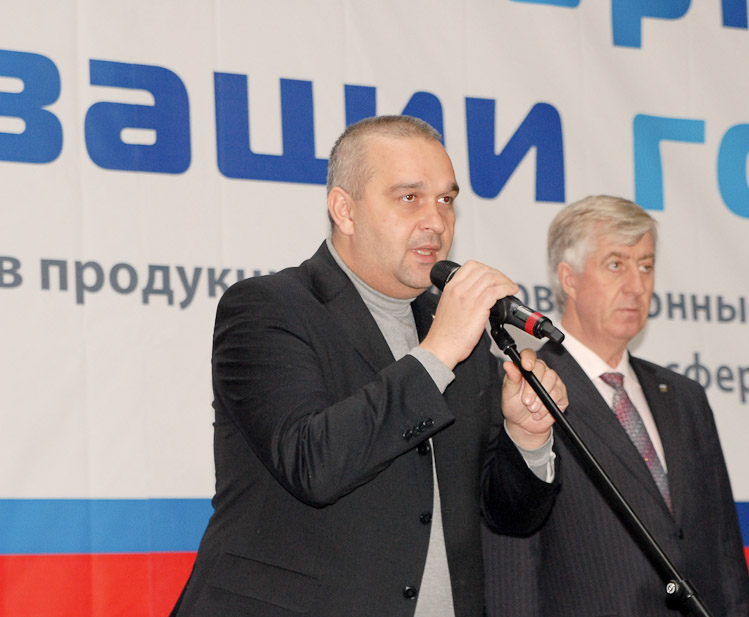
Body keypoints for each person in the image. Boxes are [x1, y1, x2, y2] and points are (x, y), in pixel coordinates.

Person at [171, 115, 567, 617]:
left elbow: (508, 516)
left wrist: (527, 438)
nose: (436, 221)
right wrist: (438, 352)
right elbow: (312, 464)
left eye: (446, 199)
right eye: (410, 197)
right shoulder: (267, 308)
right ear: (345, 209)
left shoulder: (454, 331)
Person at [483, 195, 749, 617]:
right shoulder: (526, 389)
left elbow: (724, 552)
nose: (636, 286)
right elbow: (513, 560)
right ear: (568, 279)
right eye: (616, 265)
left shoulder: (684, 398)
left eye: (645, 266)